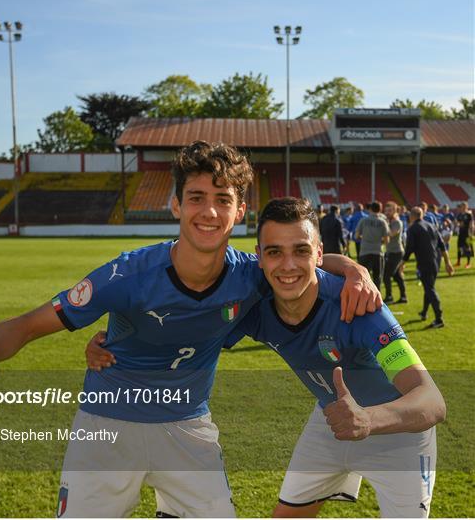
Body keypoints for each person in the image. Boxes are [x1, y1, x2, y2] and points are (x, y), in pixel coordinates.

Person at [0, 141, 381, 518]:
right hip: (107, 426)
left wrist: (355, 268)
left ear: (240, 210)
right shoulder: (126, 276)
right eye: (196, 198)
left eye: (222, 199)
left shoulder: (252, 277)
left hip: (188, 428)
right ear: (176, 205)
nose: (209, 211)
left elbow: (303, 263)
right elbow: (27, 326)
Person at [95, 198, 443, 518]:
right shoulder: (255, 305)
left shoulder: (360, 307)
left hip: (401, 433)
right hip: (330, 419)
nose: (288, 266)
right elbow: (180, 329)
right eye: (275, 252)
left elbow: (431, 400)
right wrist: (113, 344)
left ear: (318, 253)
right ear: (260, 257)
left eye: (301, 251)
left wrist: (367, 419)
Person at [401, 207, 454, 329]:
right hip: (436, 261)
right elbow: (442, 245)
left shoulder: (413, 228)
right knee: (428, 286)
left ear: (412, 216)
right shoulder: (432, 225)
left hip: (425, 263)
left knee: (430, 289)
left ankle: (439, 318)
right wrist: (447, 262)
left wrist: (402, 263)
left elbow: (409, 248)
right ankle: (424, 312)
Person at [355, 201, 390, 290]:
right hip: (377, 251)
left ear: (370, 209)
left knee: (363, 277)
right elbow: (387, 240)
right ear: (380, 209)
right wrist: (380, 241)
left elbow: (356, 235)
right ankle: (376, 299)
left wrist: (364, 237)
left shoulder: (363, 220)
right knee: (377, 277)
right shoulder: (383, 222)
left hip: (364, 251)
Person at [383, 201, 407, 304]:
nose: (387, 212)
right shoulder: (389, 221)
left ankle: (389, 296)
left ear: (394, 210)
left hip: (396, 252)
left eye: (389, 210)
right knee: (397, 275)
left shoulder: (397, 222)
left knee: (386, 275)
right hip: (390, 251)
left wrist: (383, 225)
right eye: (386, 210)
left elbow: (391, 234)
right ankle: (403, 297)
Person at [455, 201, 473, 269]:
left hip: (467, 233)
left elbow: (471, 223)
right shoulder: (459, 215)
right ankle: (458, 262)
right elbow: (457, 223)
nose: (462, 207)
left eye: (464, 206)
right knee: (459, 247)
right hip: (461, 233)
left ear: (466, 207)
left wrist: (471, 233)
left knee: (468, 248)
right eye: (462, 206)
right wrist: (458, 224)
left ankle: (468, 263)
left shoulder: (469, 214)